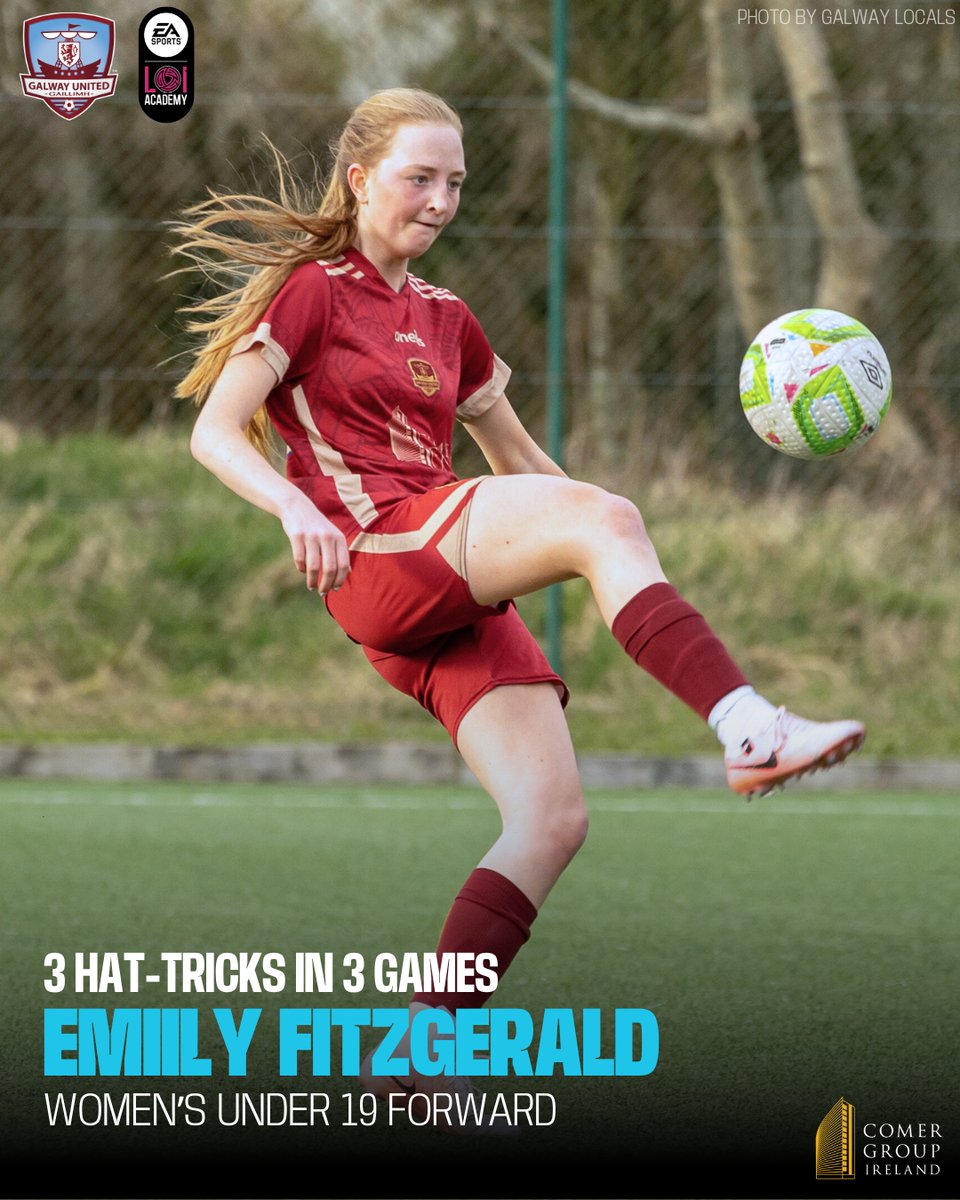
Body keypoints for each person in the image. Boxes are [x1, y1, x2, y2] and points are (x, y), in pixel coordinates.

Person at [175, 88, 865, 1130]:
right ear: (359, 178)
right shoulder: (309, 290)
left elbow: (527, 470)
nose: (441, 200)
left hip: (440, 571)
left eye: (455, 182)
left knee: (550, 821)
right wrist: (291, 506)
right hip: (376, 552)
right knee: (601, 518)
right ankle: (750, 729)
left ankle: (420, 1054)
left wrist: (609, 541)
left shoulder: (447, 318)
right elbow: (214, 432)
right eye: (419, 177)